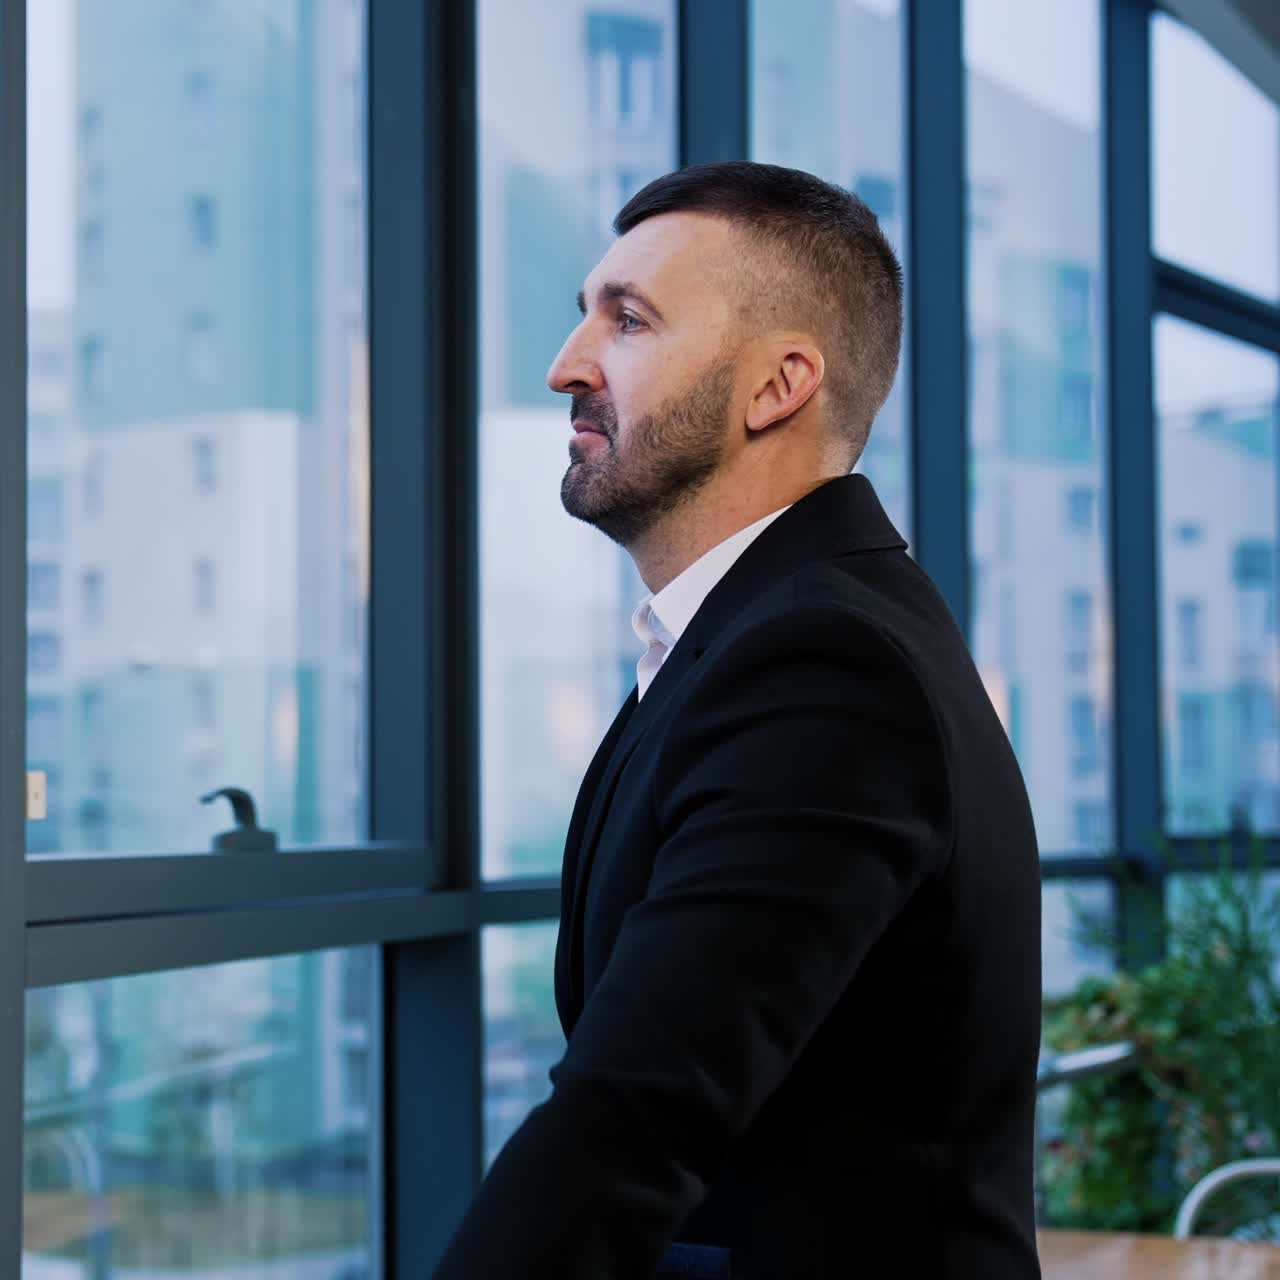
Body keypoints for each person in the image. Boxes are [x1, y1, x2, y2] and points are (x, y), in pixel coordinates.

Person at [433, 161, 1042, 1279]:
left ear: (777, 387)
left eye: (628, 320)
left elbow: (632, 1117)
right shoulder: (748, 637)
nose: (566, 365)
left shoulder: (824, 664)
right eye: (584, 313)